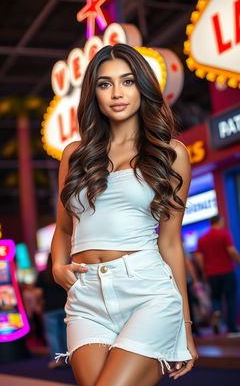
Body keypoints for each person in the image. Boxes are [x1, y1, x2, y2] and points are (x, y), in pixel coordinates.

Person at [51, 43, 198, 386]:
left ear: (142, 88)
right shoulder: (75, 155)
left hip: (147, 292)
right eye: (105, 84)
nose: (117, 93)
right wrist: (58, 266)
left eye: (127, 81)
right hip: (86, 297)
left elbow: (172, 245)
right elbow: (62, 229)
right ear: (94, 93)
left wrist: (185, 330)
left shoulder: (171, 154)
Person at [196, 214, 240, 336]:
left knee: (216, 297)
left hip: (211, 273)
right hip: (227, 271)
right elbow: (231, 251)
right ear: (219, 221)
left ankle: (216, 311)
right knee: (230, 298)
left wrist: (205, 271)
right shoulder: (224, 234)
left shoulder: (202, 239)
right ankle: (232, 328)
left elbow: (199, 258)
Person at [36, 253, 68, 368]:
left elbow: (38, 293)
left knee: (52, 335)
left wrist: (39, 304)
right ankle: (67, 358)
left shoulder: (43, 274)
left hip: (49, 308)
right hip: (65, 306)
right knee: (66, 333)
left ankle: (56, 360)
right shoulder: (64, 271)